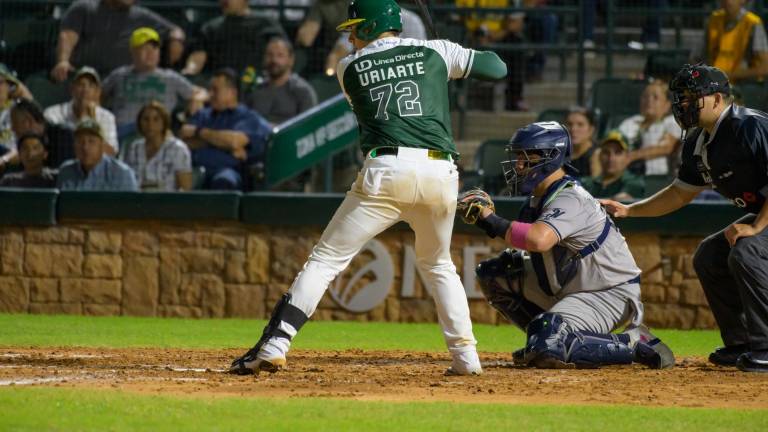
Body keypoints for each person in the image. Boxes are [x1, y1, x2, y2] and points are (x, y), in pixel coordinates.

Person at [229, 0, 507, 377]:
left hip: (386, 171)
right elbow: (498, 67)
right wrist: (450, 52)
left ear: (375, 25)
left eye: (357, 27)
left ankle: (276, 342)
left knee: (327, 260)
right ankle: (466, 358)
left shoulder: (350, 67)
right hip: (440, 173)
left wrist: (438, 55)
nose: (351, 35)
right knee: (439, 264)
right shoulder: (434, 51)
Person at [458, 121, 674, 370]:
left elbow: (538, 240)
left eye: (527, 158)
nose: (519, 165)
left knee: (548, 345)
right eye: (518, 157)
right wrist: (487, 222)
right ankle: (544, 339)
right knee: (496, 273)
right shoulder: (537, 200)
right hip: (576, 286)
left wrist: (489, 219)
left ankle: (634, 342)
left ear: (550, 158)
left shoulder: (571, 197)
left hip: (609, 293)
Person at [601, 64, 768, 373]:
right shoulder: (698, 142)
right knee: (710, 255)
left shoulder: (749, 126)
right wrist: (631, 209)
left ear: (717, 99)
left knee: (747, 249)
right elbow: (679, 193)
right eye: (680, 98)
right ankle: (742, 342)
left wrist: (756, 226)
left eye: (692, 98)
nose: (683, 105)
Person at [102, 27, 207, 142]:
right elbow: (97, 94)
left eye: (154, 48)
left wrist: (196, 99)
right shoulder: (119, 75)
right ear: (133, 51)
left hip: (159, 135)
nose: (151, 53)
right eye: (145, 48)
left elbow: (201, 93)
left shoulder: (170, 78)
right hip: (123, 133)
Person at [179, 68, 271, 190]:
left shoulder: (247, 117)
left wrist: (198, 132)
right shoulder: (203, 114)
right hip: (192, 170)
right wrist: (223, 145)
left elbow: (234, 142)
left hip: (226, 172)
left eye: (215, 90)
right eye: (210, 89)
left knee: (225, 179)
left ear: (232, 93)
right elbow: (183, 141)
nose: (210, 94)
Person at [51, 0, 185, 81]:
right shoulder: (85, 7)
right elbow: (67, 36)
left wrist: (176, 40)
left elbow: (175, 30)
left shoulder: (141, 15)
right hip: (84, 76)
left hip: (123, 81)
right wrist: (63, 61)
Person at [182, 0, 286, 77]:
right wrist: (190, 70)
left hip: (258, 83)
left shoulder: (266, 23)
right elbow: (198, 56)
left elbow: (283, 52)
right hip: (222, 85)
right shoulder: (211, 28)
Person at [455, 0, 527, 111]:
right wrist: (476, 36)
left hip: (500, 37)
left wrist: (496, 36)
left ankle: (514, 99)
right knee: (456, 41)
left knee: (517, 43)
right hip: (472, 37)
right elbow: (458, 16)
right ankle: (455, 98)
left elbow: (517, 23)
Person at [323, 7, 427, 77]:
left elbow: (421, 58)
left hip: (404, 76)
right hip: (370, 76)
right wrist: (332, 69)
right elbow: (340, 49)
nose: (351, 38)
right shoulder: (362, 19)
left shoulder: (412, 20)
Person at [44, 67, 119, 155]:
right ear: (72, 89)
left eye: (91, 85)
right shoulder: (53, 113)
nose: (85, 90)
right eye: (80, 84)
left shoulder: (107, 117)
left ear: (97, 92)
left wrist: (92, 122)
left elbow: (111, 152)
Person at [244, 37, 318, 125]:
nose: (274, 60)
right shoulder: (255, 91)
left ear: (291, 60)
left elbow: (309, 125)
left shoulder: (303, 91)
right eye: (269, 55)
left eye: (280, 55)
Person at [123, 101, 193, 191]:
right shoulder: (134, 148)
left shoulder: (178, 149)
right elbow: (125, 181)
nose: (150, 124)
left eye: (156, 119)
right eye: (146, 119)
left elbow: (186, 188)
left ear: (164, 122)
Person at [618, 80, 682, 177]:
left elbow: (666, 148)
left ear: (667, 105)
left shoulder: (672, 122)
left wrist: (631, 156)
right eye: (645, 96)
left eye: (655, 97)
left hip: (660, 179)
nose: (649, 100)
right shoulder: (630, 122)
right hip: (627, 175)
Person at [57, 119, 138, 191]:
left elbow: (131, 207)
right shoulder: (66, 172)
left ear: (102, 146)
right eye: (80, 141)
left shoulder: (121, 174)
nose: (85, 147)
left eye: (91, 141)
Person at [701, 0, 768, 82]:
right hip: (715, 82)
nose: (728, 1)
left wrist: (729, 75)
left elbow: (765, 67)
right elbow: (697, 57)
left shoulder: (753, 23)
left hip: (743, 84)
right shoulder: (713, 19)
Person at [10, 99, 74, 170]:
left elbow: (59, 173)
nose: (12, 129)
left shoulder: (63, 137)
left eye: (15, 123)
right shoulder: (24, 142)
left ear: (29, 122)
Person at [581, 130, 645, 200]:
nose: (611, 158)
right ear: (599, 156)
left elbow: (623, 199)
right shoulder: (586, 183)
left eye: (617, 153)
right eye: (606, 152)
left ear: (627, 157)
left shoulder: (634, 183)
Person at [295, 0, 349, 74]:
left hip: (359, 38)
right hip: (331, 44)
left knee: (334, 59)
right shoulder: (321, 4)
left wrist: (338, 52)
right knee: (299, 52)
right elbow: (306, 39)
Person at [0, 63, 34, 171]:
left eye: (0, 83)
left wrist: (4, 160)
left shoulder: (18, 109)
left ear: (9, 86)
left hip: (13, 162)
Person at [565, 106, 599, 177]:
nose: (573, 129)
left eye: (580, 125)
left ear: (591, 129)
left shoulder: (597, 155)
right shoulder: (561, 153)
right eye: (569, 124)